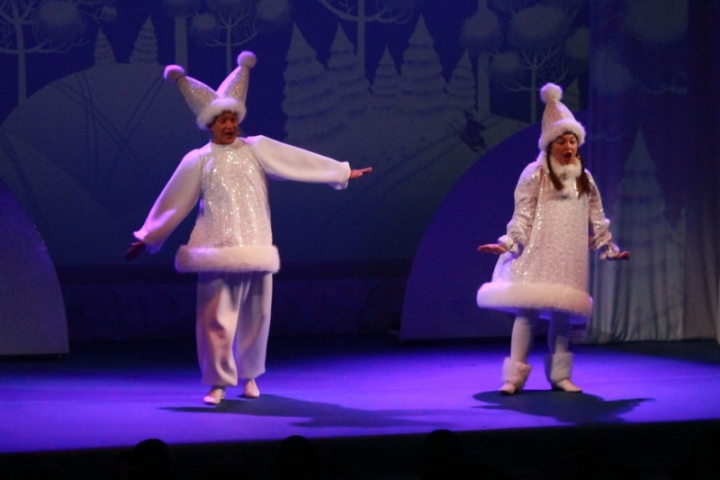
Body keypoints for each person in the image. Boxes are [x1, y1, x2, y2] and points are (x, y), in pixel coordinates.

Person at [125, 51, 371, 405]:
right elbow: (173, 201)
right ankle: (218, 382)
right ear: (209, 125)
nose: (228, 125)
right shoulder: (198, 160)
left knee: (256, 316)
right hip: (217, 249)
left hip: (255, 244)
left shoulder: (256, 149)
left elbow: (297, 160)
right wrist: (147, 237)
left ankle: (250, 376)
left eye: (232, 119)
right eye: (221, 120)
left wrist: (341, 171)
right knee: (216, 320)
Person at [476, 83, 628, 395]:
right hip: (538, 252)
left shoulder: (584, 178)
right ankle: (513, 378)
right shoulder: (535, 173)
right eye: (562, 141)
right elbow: (523, 214)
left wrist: (608, 247)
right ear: (550, 144)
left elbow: (597, 215)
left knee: (562, 314)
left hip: (568, 256)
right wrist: (508, 243)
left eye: (573, 140)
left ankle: (560, 376)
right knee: (527, 312)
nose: (569, 146)